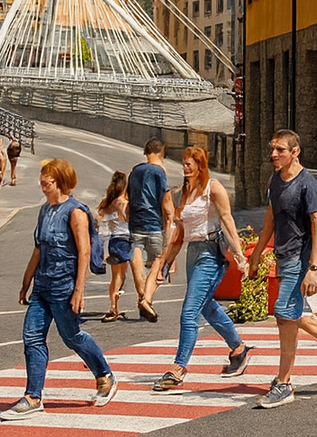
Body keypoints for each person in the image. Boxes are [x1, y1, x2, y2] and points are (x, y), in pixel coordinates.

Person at [248, 129, 317, 409]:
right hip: (284, 256)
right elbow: (271, 218)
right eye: (272, 149)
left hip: (301, 258)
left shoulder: (307, 184)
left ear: (295, 152)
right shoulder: (276, 180)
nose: (274, 154)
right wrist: (257, 253)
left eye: (280, 150)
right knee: (294, 315)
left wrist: (314, 267)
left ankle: (284, 383)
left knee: (285, 314)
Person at [0, 158, 118, 420]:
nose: (43, 185)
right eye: (42, 181)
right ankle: (33, 396)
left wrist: (79, 290)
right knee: (32, 337)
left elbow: (84, 252)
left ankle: (104, 375)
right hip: (42, 285)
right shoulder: (45, 210)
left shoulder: (75, 212)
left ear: (60, 182)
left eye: (47, 182)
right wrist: (26, 281)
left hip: (64, 285)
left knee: (72, 337)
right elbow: (39, 248)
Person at [151, 146, 251, 393]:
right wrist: (165, 262)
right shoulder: (184, 192)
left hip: (211, 252)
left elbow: (227, 220)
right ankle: (238, 349)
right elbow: (180, 233)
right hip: (192, 253)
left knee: (189, 311)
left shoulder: (212, 187)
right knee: (207, 306)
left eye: (189, 164)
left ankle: (178, 368)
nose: (185, 167)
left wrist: (239, 255)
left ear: (200, 164)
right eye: (183, 163)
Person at [127, 138, 175, 322]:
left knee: (137, 258)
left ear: (146, 152)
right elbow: (166, 202)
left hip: (135, 223)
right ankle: (146, 299)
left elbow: (127, 197)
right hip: (154, 223)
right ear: (161, 153)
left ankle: (142, 297)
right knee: (158, 261)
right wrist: (169, 224)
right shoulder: (159, 172)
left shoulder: (135, 172)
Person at [96, 171, 131, 322]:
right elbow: (128, 218)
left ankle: (113, 305)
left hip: (114, 240)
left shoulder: (109, 201)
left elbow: (99, 217)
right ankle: (113, 306)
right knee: (120, 275)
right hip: (125, 239)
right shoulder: (124, 201)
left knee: (115, 275)